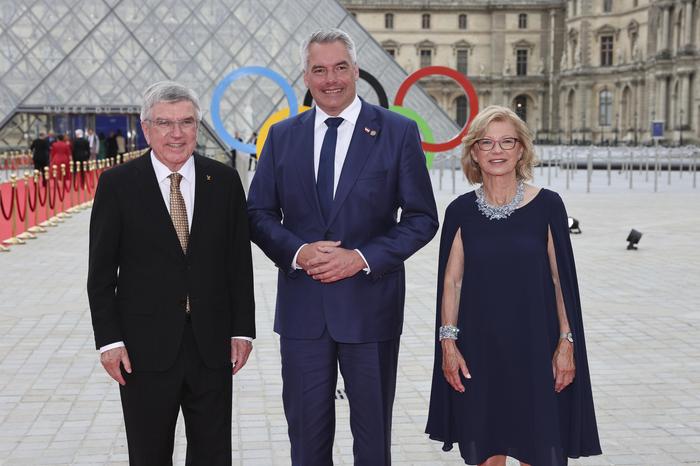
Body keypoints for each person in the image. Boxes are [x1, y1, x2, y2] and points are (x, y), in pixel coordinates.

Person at [247, 28, 438, 465]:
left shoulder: (397, 132)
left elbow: (422, 218)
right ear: (306, 76)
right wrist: (298, 252)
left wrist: (362, 258)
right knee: (306, 440)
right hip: (303, 313)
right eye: (319, 70)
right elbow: (256, 214)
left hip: (370, 310)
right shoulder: (281, 137)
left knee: (373, 441)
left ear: (355, 70)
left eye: (339, 68)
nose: (330, 79)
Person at [87, 81, 256, 465]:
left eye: (187, 122)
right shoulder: (117, 185)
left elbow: (237, 265)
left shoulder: (225, 181)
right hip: (143, 351)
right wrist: (109, 342)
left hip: (212, 348)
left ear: (198, 126)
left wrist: (242, 330)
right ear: (146, 128)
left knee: (213, 455)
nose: (176, 134)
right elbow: (100, 275)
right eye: (165, 123)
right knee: (148, 455)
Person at [425, 105, 601, 466]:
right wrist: (448, 343)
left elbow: (560, 281)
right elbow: (451, 282)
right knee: (487, 452)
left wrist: (567, 344)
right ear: (474, 151)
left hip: (538, 348)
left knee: (538, 451)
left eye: (507, 142)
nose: (497, 151)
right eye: (487, 143)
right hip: (479, 349)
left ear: (521, 149)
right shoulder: (459, 211)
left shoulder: (549, 205)